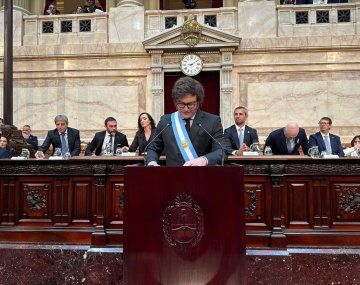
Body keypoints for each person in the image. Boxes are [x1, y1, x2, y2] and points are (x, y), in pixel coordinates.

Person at [146, 76, 225, 166]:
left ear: (198, 102)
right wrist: (152, 163)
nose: (186, 109)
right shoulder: (166, 121)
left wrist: (204, 160)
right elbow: (153, 148)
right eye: (181, 104)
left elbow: (221, 151)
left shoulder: (213, 121)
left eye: (191, 104)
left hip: (202, 177)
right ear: (175, 102)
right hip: (173, 177)